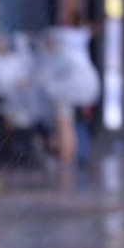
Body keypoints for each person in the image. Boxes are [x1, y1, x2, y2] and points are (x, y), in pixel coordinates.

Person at [37, 14, 101, 166]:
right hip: (88, 87)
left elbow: (43, 77)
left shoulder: (60, 53)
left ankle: (65, 157)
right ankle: (68, 156)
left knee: (64, 122)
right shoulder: (75, 47)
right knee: (69, 124)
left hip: (69, 90)